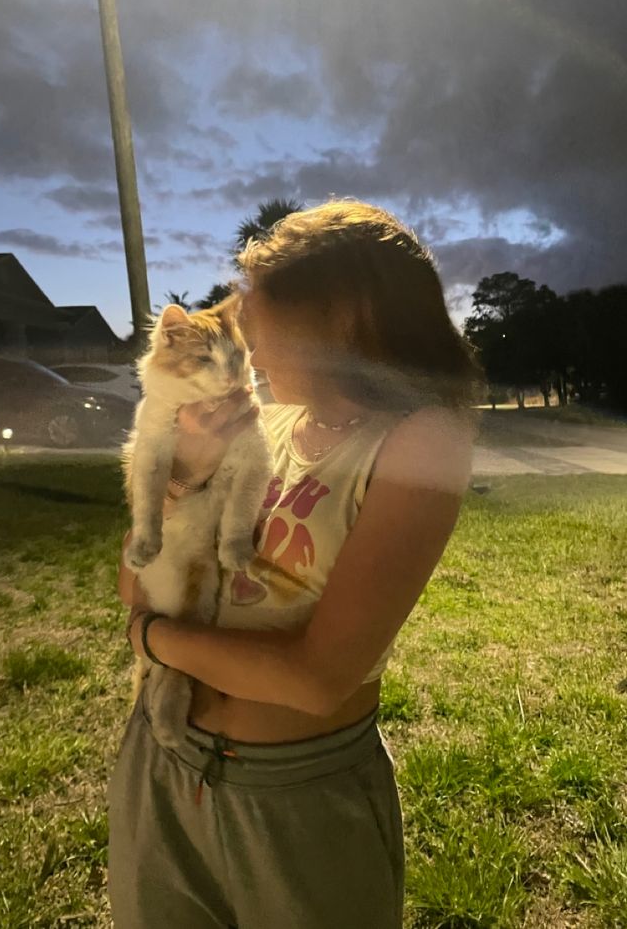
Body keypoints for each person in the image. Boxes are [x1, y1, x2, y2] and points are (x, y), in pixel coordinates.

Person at [110, 199, 482, 928]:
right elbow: (132, 580)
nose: (244, 352)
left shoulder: (418, 442)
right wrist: (183, 475)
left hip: (294, 797)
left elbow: (316, 679)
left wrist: (151, 640)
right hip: (161, 757)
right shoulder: (259, 423)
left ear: (336, 317)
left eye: (257, 323)